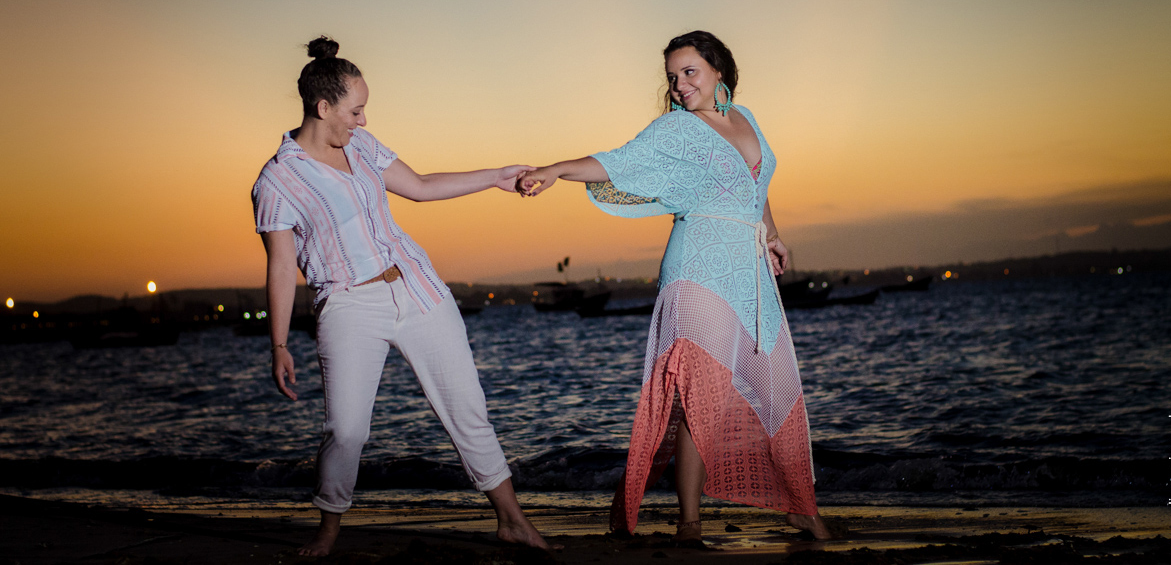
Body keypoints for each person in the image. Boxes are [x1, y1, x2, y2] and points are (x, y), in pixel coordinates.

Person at [518, 31, 832, 543]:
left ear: (718, 71)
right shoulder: (675, 131)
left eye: (689, 72)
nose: (680, 85)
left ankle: (800, 505)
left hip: (749, 271)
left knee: (777, 387)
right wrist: (557, 169)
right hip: (696, 270)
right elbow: (615, 161)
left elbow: (756, 187)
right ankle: (690, 521)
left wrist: (773, 237)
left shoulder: (747, 118)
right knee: (701, 394)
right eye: (672, 76)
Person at [252, 36, 553, 557]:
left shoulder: (362, 147)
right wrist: (278, 344)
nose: (364, 120)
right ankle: (327, 529)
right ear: (324, 108)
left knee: (467, 409)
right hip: (348, 304)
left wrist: (496, 177)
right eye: (356, 110)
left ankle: (513, 522)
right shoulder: (277, 180)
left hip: (417, 288)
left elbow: (421, 186)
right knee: (346, 431)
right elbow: (280, 266)